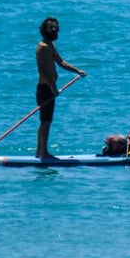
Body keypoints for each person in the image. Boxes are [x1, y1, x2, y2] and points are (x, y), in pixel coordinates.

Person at [35, 17, 87, 159]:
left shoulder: (50, 45)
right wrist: (52, 88)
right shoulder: (43, 47)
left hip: (50, 88)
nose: (54, 30)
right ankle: (42, 152)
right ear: (44, 29)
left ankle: (40, 152)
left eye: (56, 27)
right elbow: (43, 71)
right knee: (45, 121)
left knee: (47, 121)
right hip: (45, 89)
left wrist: (77, 71)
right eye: (51, 27)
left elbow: (60, 61)